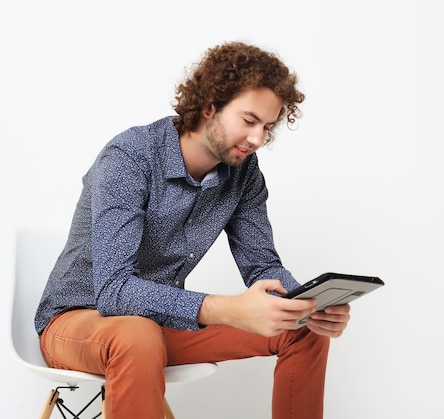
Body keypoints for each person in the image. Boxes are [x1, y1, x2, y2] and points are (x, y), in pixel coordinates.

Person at [34, 41, 351, 419]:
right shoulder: (130, 158)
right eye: (249, 121)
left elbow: (263, 265)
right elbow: (114, 291)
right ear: (209, 106)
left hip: (158, 324)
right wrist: (228, 309)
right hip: (78, 321)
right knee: (137, 334)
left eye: (267, 127)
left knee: (299, 328)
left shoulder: (244, 173)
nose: (258, 140)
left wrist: (306, 305)